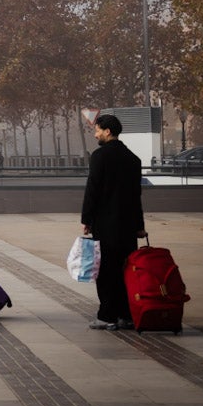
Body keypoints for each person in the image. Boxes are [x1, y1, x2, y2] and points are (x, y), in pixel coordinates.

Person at [81, 114, 145, 331]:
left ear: (108, 131)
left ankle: (107, 315)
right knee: (126, 270)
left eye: (97, 129)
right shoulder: (133, 159)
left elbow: (93, 190)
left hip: (105, 225)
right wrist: (139, 225)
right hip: (127, 226)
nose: (96, 133)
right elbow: (136, 196)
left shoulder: (99, 157)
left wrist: (86, 219)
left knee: (106, 271)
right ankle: (126, 315)